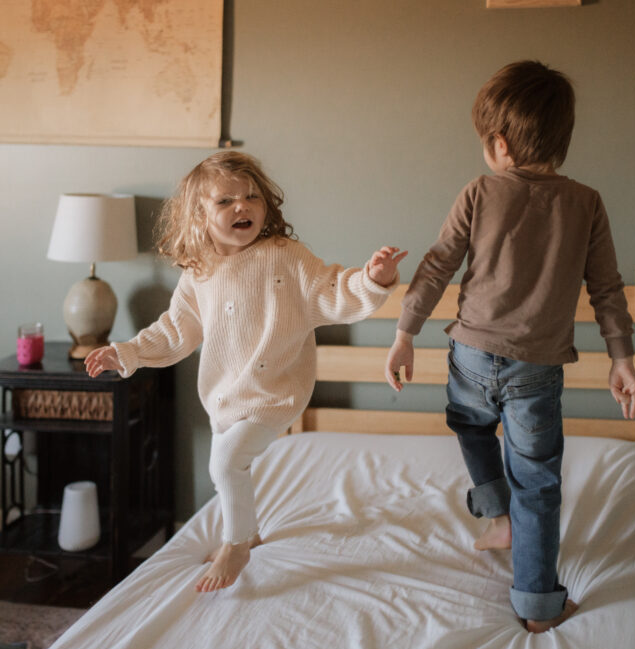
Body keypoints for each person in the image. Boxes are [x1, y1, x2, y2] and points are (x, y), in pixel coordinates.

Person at [383, 61, 635, 633]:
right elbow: (606, 289)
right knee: (538, 482)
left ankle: (495, 513)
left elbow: (436, 266)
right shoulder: (587, 203)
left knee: (469, 424)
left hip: (470, 354)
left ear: (498, 145)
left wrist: (404, 334)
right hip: (537, 369)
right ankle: (539, 605)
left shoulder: (479, 191)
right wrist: (623, 359)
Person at [86, 151, 406, 593]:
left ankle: (236, 544)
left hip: (275, 391)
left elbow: (332, 291)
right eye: (226, 201)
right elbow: (175, 329)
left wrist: (372, 278)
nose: (243, 206)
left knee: (225, 465)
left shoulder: (285, 256)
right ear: (199, 216)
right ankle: (251, 530)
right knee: (230, 465)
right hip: (224, 396)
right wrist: (127, 352)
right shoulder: (199, 272)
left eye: (252, 196)